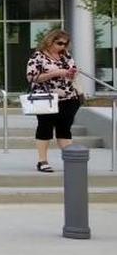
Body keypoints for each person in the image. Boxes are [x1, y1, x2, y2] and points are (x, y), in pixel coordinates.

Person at [25, 29, 80, 173]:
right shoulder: (38, 56)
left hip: (68, 97)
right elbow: (32, 78)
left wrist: (71, 74)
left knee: (65, 129)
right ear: (50, 41)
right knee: (45, 127)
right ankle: (42, 161)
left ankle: (71, 161)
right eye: (59, 43)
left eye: (65, 44)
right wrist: (55, 73)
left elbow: (72, 74)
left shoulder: (66, 56)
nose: (62, 46)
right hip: (46, 98)